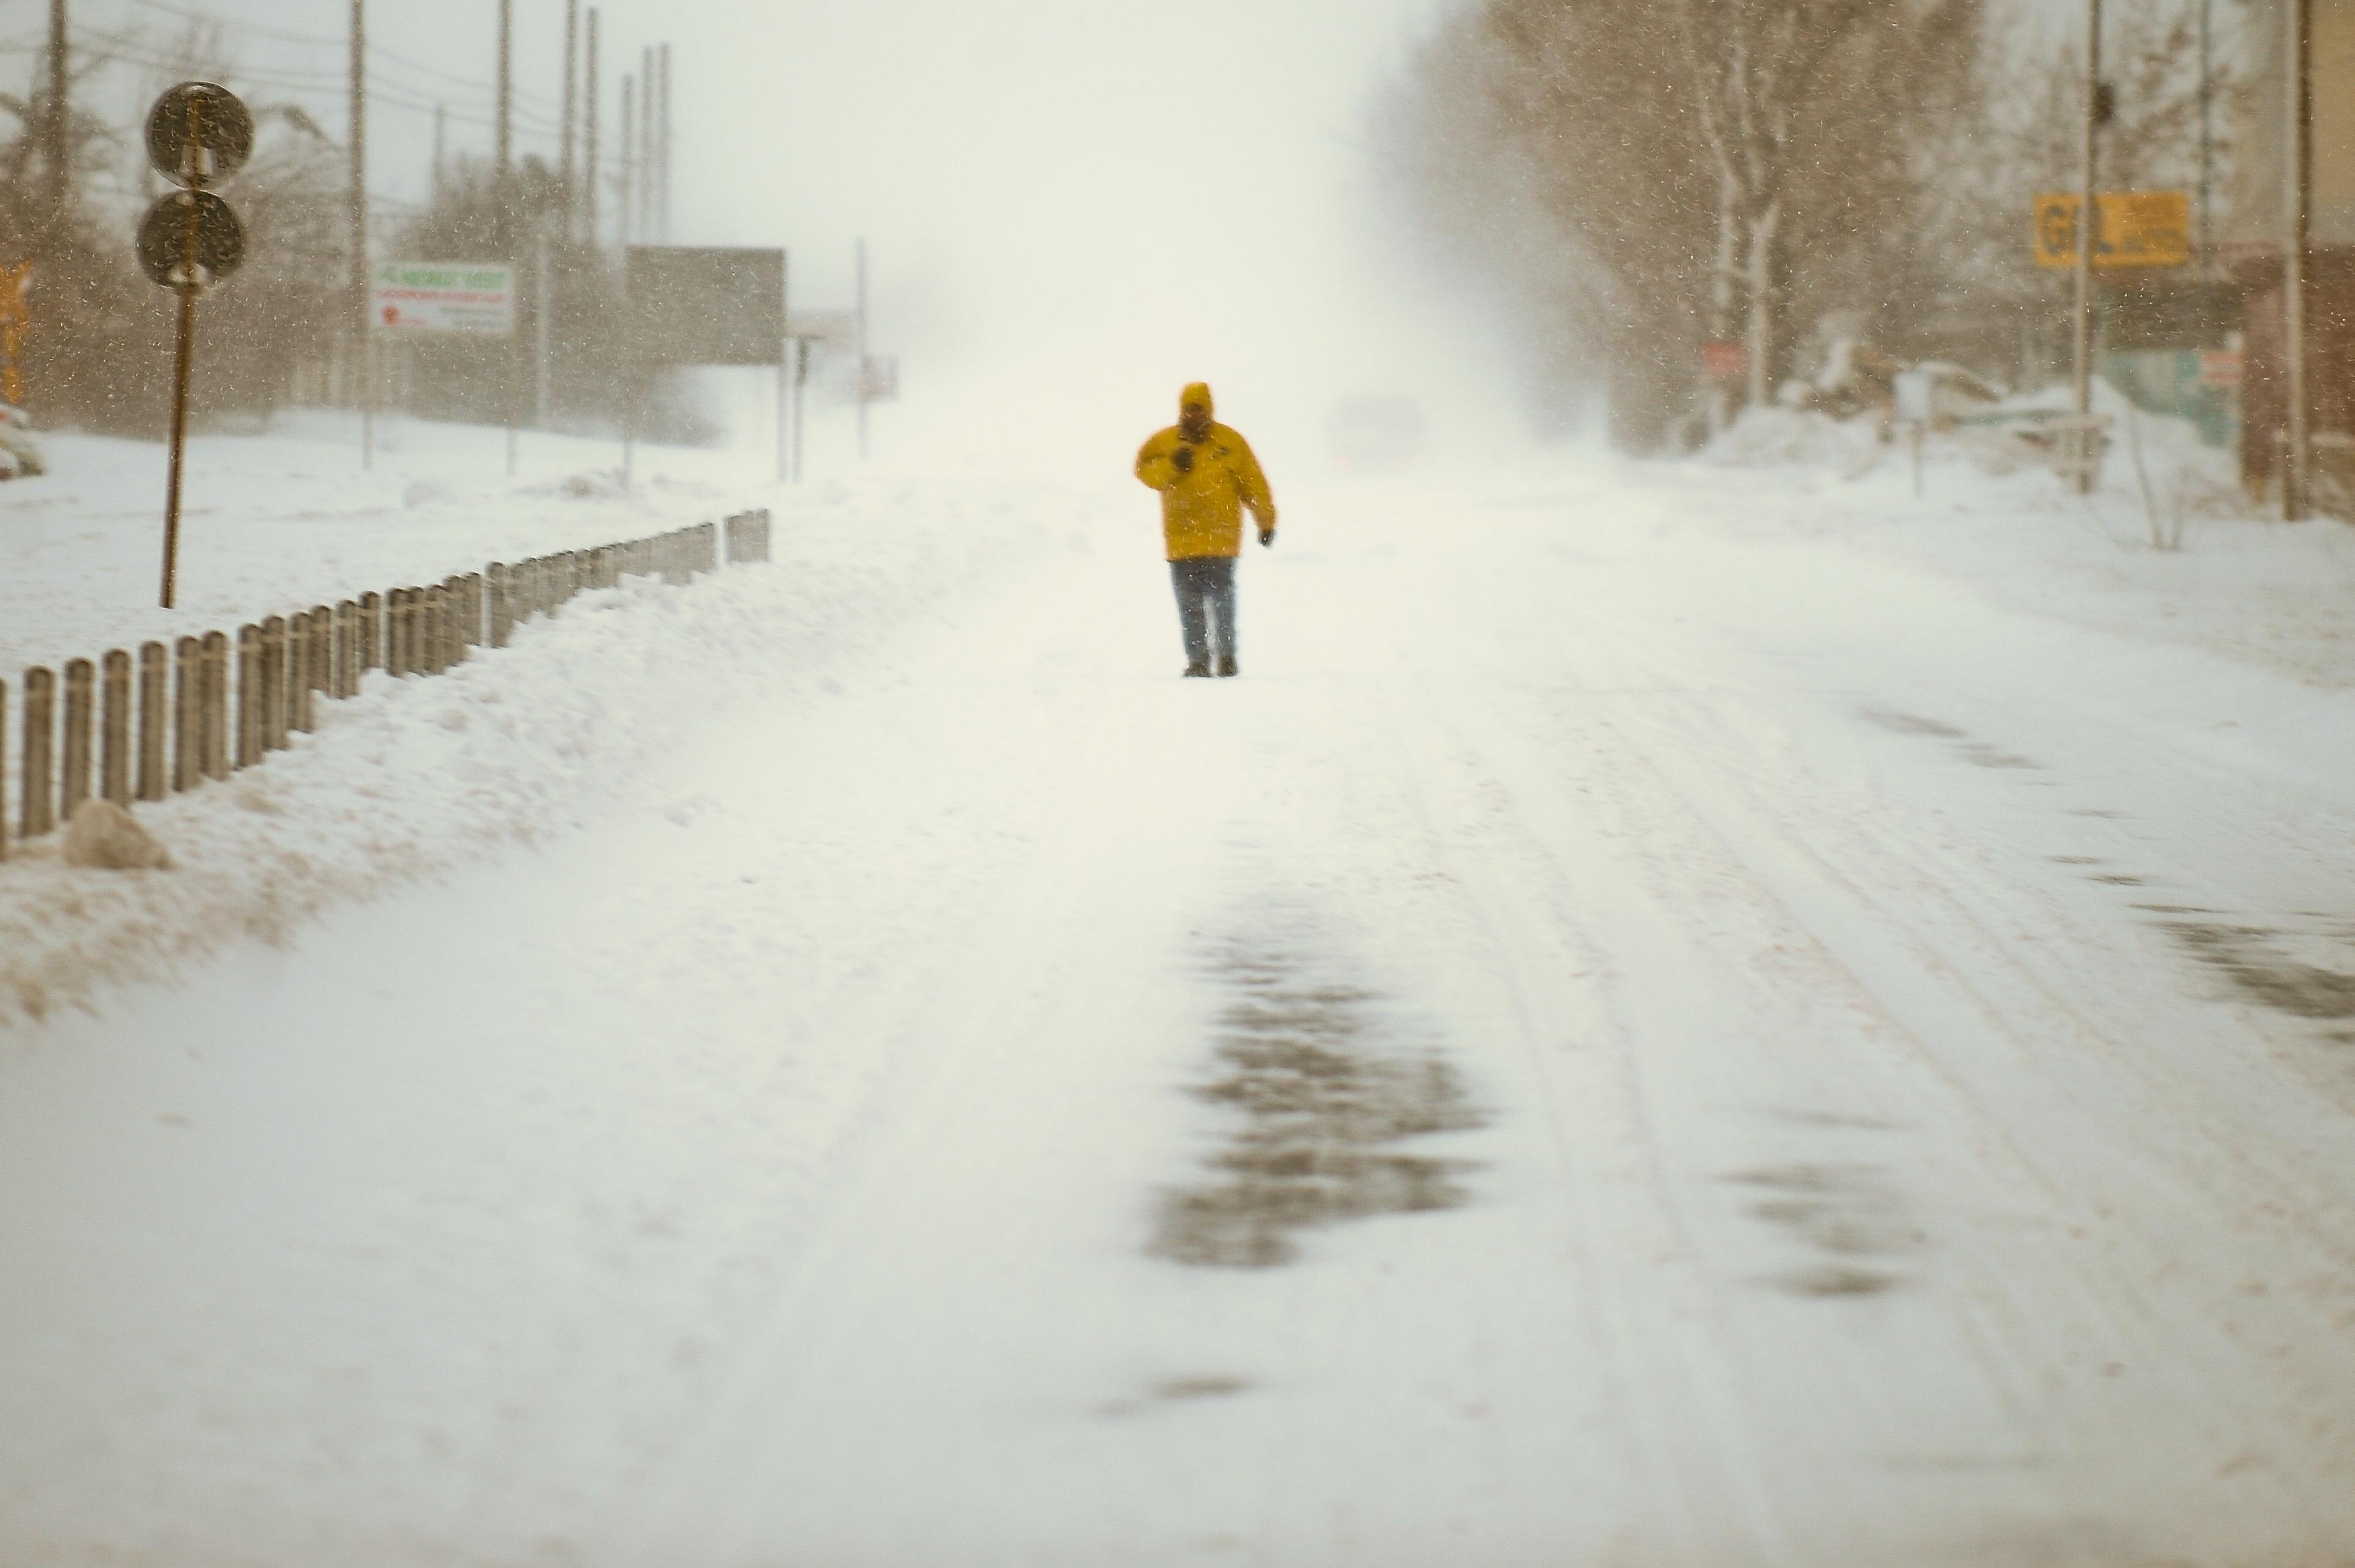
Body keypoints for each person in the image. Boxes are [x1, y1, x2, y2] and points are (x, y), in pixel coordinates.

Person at [1133, 382, 1276, 678]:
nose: (1195, 416)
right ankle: (1198, 661)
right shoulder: (1164, 443)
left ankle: (1226, 658)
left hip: (1221, 540)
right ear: (1182, 410)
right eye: (1190, 410)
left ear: (1209, 410)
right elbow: (1145, 472)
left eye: (1200, 410)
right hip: (1182, 541)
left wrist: (1266, 521)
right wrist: (1173, 466)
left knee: (1223, 603)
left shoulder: (1231, 442)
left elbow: (1253, 484)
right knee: (1190, 607)